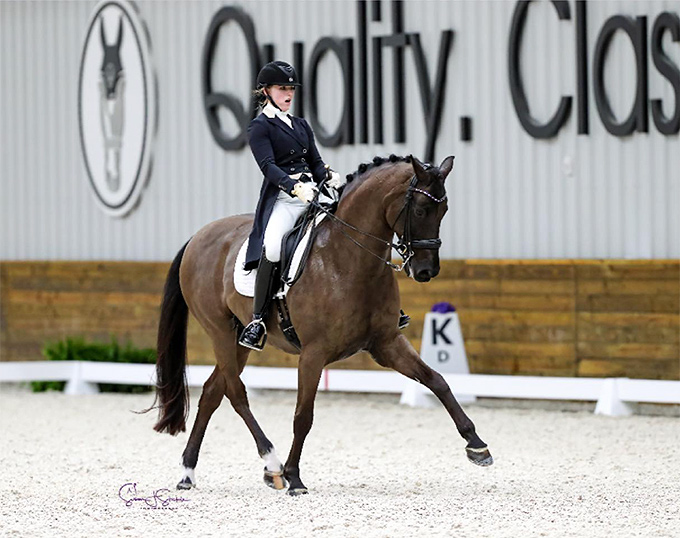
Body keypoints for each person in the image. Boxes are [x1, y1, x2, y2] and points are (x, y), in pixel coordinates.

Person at [239, 60, 408, 351]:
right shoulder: (260, 127)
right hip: (285, 197)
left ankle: (385, 307)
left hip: (316, 193)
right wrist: (294, 186)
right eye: (283, 89)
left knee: (356, 229)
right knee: (275, 244)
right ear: (266, 91)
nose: (289, 94)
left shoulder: (300, 125)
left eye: (291, 88)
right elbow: (268, 166)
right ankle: (257, 320)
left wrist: (327, 177)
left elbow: (315, 162)